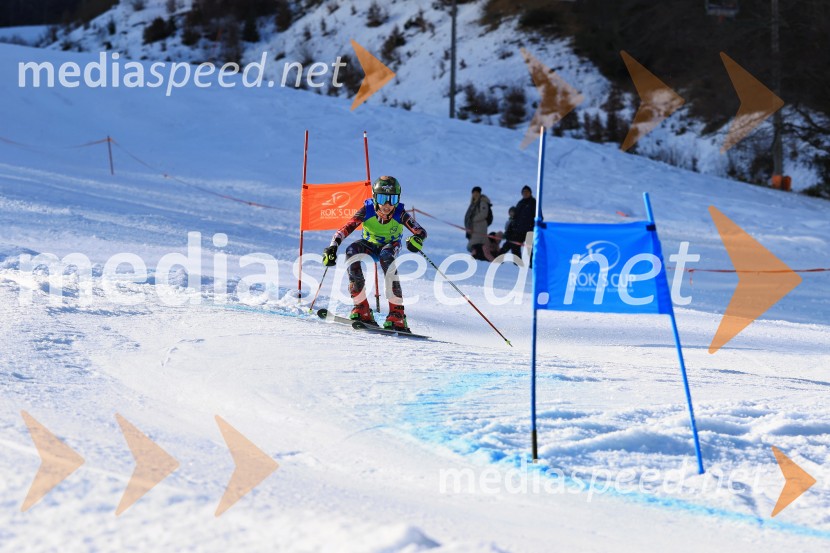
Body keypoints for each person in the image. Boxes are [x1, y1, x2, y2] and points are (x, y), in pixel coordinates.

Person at [322, 176, 427, 332]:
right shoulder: (367, 210)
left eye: (391, 199)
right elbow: (346, 228)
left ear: (397, 199)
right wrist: (332, 247)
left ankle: (397, 314)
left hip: (390, 247)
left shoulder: (400, 213)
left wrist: (416, 239)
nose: (386, 205)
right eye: (382, 198)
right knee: (351, 251)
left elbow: (420, 231)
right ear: (374, 197)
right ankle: (361, 307)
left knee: (386, 256)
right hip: (369, 246)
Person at [464, 186, 492, 260]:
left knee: (474, 244)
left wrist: (473, 219)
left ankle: (476, 258)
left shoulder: (482, 202)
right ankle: (479, 257)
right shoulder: (473, 204)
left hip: (479, 227)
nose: (475, 194)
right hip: (474, 228)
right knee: (475, 245)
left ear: (479, 193)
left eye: (477, 193)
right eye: (474, 193)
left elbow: (484, 214)